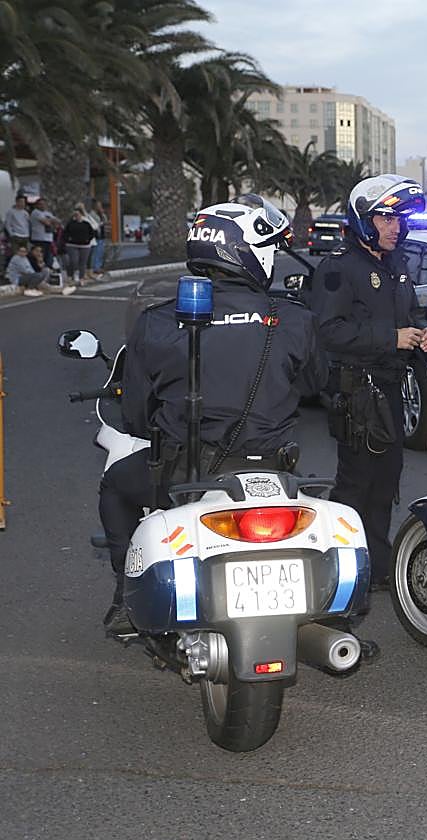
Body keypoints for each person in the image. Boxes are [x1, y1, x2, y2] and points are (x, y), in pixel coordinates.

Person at [101, 195, 324, 632]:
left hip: (182, 470)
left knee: (115, 486)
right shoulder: (293, 319)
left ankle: (127, 597)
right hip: (271, 468)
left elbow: (135, 416)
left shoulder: (159, 320)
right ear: (250, 252)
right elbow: (316, 385)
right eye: (271, 251)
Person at [309, 174, 427, 590]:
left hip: (391, 389)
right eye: (384, 218)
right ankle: (342, 570)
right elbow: (327, 332)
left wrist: (421, 331)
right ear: (364, 219)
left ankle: (377, 567)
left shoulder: (396, 265)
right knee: (356, 484)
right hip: (356, 393)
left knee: (387, 481)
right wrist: (390, 338)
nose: (394, 227)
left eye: (398, 218)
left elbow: (410, 313)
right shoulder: (338, 269)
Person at [63, 208, 94, 288]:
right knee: (74, 260)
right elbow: (65, 232)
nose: (76, 216)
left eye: (77, 214)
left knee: (83, 262)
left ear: (81, 215)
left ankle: (81, 278)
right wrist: (68, 239)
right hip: (72, 245)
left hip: (84, 245)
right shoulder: (70, 224)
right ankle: (72, 275)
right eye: (75, 215)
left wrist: (88, 239)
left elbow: (92, 233)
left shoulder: (86, 224)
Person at [87, 198, 108, 277]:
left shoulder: (100, 214)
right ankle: (95, 267)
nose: (100, 207)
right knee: (96, 252)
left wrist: (102, 214)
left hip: (101, 235)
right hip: (96, 235)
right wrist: (102, 223)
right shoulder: (92, 214)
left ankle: (98, 266)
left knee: (100, 252)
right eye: (98, 205)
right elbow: (96, 224)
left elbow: (105, 220)